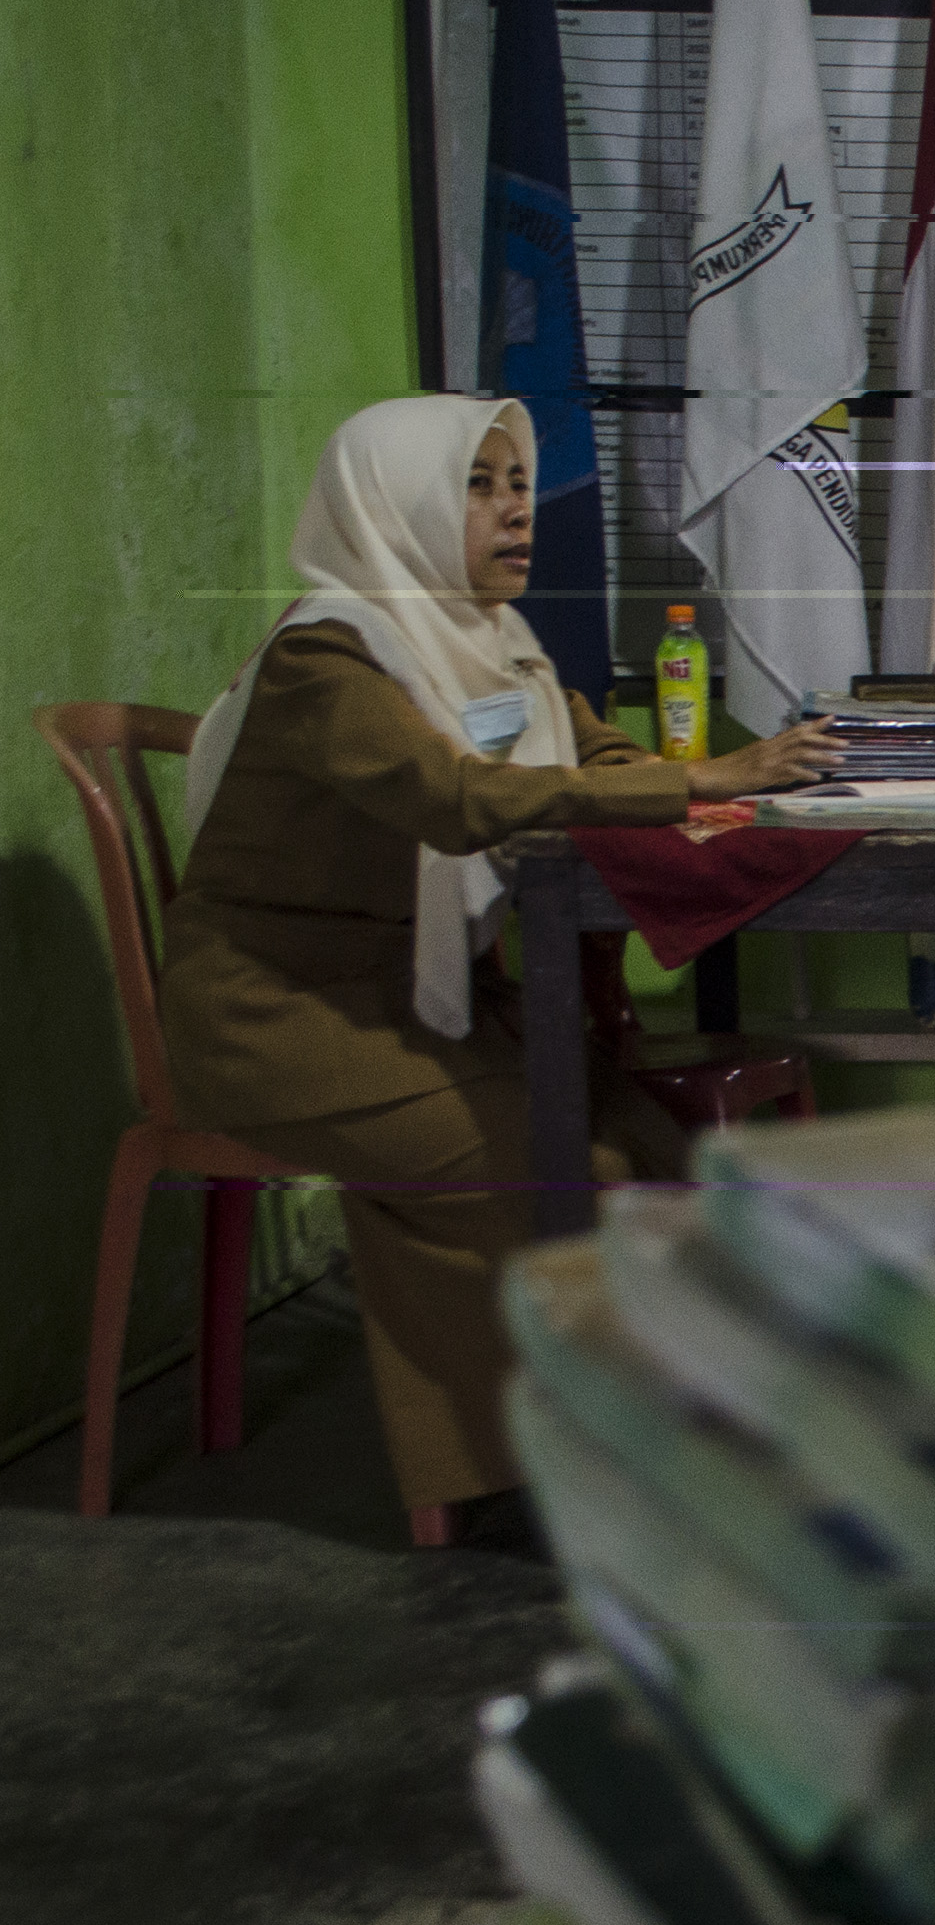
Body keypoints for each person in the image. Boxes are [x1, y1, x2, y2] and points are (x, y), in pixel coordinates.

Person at [160, 396, 830, 1535]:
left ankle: (656, 1446)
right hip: (280, 1019)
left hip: (418, 1004)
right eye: (476, 486)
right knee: (564, 1169)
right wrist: (704, 782)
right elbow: (457, 799)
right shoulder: (329, 655)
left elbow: (585, 745)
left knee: (662, 1150)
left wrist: (692, 771)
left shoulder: (490, 642)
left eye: (517, 483)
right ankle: (535, 1474)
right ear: (394, 502)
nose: (515, 511)